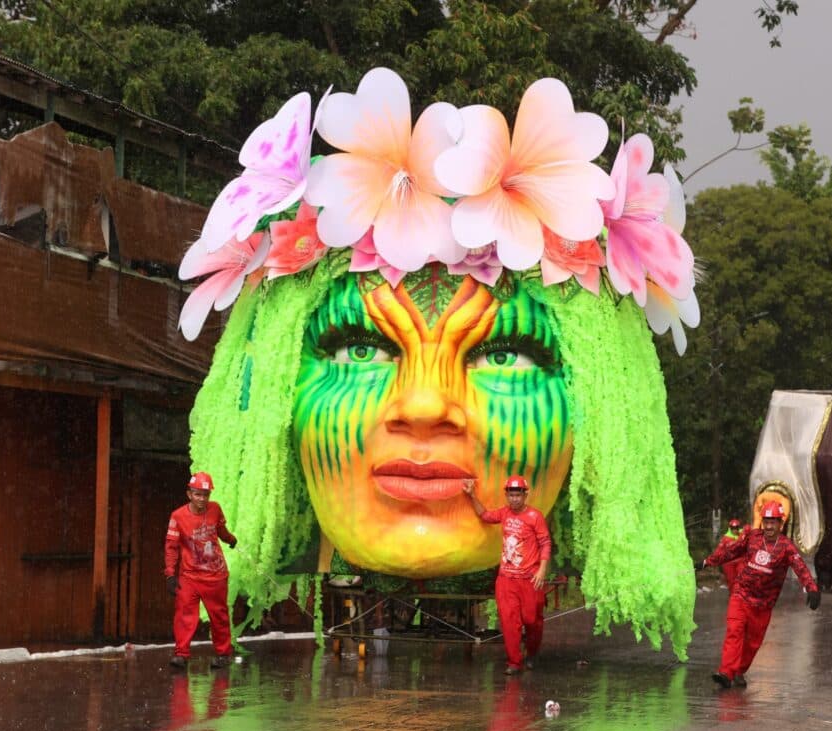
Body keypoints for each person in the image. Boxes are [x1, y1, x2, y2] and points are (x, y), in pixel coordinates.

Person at [178, 68, 700, 660]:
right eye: (359, 348)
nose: (425, 406)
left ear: (605, 408)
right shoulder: (195, 516)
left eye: (504, 355)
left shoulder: (518, 516)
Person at [697, 500, 820, 688]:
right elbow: (730, 552)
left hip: (763, 605)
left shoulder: (787, 547)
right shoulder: (752, 537)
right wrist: (707, 562)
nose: (769, 526)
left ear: (780, 523)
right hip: (741, 594)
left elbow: (800, 567)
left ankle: (738, 671)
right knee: (734, 631)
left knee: (752, 643)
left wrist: (811, 588)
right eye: (766, 521)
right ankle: (726, 672)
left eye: (773, 522)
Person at [463, 475, 550, 675]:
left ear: (525, 495)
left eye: (518, 494)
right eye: (511, 495)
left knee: (532, 620)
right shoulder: (504, 513)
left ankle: (532, 653)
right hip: (506, 579)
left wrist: (542, 569)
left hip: (530, 579)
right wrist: (471, 495)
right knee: (510, 622)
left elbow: (545, 543)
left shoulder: (535, 517)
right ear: (507, 495)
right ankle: (514, 662)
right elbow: (484, 515)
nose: (514, 499)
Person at [164, 472, 238, 669]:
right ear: (189, 494)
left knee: (219, 616)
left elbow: (220, 531)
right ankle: (181, 654)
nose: (202, 499)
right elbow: (171, 547)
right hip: (189, 576)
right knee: (184, 615)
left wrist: (230, 539)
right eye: (198, 494)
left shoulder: (215, 510)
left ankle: (223, 654)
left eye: (205, 494)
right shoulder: (177, 516)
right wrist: (170, 574)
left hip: (215, 575)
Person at [712, 518, 746, 589]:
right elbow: (719, 550)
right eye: (733, 528)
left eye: (736, 528)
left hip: (740, 561)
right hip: (729, 563)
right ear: (730, 528)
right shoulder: (725, 538)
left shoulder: (743, 534)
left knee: (742, 578)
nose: (735, 530)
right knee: (731, 581)